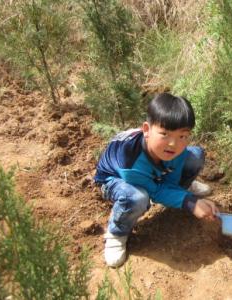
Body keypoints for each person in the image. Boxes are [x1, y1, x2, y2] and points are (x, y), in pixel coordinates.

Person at [93, 92, 219, 268]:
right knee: (138, 197)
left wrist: (183, 196)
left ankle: (179, 194)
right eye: (165, 134)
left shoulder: (175, 148)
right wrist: (190, 203)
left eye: (182, 136)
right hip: (114, 179)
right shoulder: (129, 157)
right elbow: (156, 191)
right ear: (146, 130)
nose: (173, 144)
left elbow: (169, 182)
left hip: (152, 173)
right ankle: (117, 232)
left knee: (195, 156)